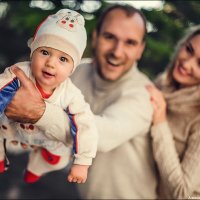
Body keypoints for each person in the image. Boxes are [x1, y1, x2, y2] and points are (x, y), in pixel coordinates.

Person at [5, 4, 158, 199]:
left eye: (130, 43)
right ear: (95, 37)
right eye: (109, 37)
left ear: (140, 50)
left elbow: (102, 136)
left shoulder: (144, 94)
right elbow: (23, 107)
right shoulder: (72, 72)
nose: (117, 52)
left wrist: (39, 113)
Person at [0, 9, 98, 184]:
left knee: (59, 159)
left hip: (46, 138)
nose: (51, 63)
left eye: (63, 59)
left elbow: (86, 125)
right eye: (44, 52)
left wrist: (83, 162)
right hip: (12, 129)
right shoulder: (20, 73)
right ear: (33, 53)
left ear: (72, 69)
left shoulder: (71, 94)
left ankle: (36, 167)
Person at [147, 25, 200, 199]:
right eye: (189, 50)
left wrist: (160, 121)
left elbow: (182, 193)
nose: (186, 63)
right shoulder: (163, 84)